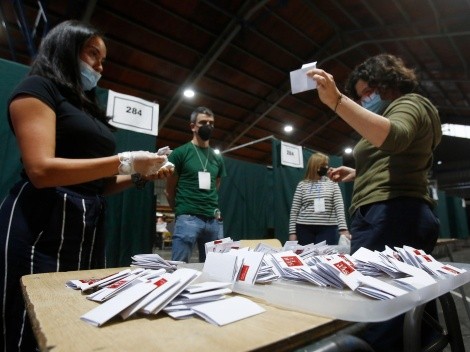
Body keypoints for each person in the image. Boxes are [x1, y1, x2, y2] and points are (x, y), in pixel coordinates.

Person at [0, 20, 172, 351]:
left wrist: (140, 175)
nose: (100, 66)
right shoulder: (36, 89)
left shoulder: (87, 107)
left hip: (86, 226)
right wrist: (127, 161)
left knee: (74, 316)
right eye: (92, 53)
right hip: (40, 223)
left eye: (103, 59)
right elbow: (40, 169)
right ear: (66, 47)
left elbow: (98, 184)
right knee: (29, 324)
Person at [307, 54, 442, 351]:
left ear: (388, 82)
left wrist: (338, 101)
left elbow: (396, 138)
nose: (365, 99)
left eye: (368, 91)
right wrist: (358, 173)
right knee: (405, 299)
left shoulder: (410, 104)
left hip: (391, 212)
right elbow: (397, 158)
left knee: (378, 305)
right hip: (393, 210)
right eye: (360, 95)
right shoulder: (395, 111)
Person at [165, 106, 226, 263]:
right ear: (192, 126)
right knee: (178, 267)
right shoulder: (180, 153)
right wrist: (181, 211)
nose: (208, 126)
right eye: (203, 122)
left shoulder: (217, 158)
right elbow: (169, 190)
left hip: (213, 220)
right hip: (187, 218)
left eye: (211, 123)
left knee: (213, 269)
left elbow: (216, 185)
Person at [288, 152, 350, 246]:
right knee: (306, 257)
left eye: (326, 165)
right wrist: (292, 233)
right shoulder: (302, 185)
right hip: (304, 228)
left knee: (326, 257)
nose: (326, 167)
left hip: (328, 228)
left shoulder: (332, 183)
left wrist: (343, 229)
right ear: (315, 166)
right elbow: (294, 210)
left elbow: (339, 206)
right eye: (323, 165)